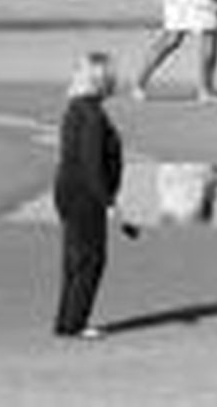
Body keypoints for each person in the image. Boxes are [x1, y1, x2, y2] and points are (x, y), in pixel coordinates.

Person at [54, 52, 139, 339]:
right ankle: (75, 323)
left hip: (69, 190)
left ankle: (66, 322)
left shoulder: (76, 107)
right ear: (100, 80)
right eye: (111, 77)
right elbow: (91, 163)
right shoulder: (91, 115)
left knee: (75, 259)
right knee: (90, 259)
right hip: (84, 194)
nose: (115, 81)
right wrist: (109, 202)